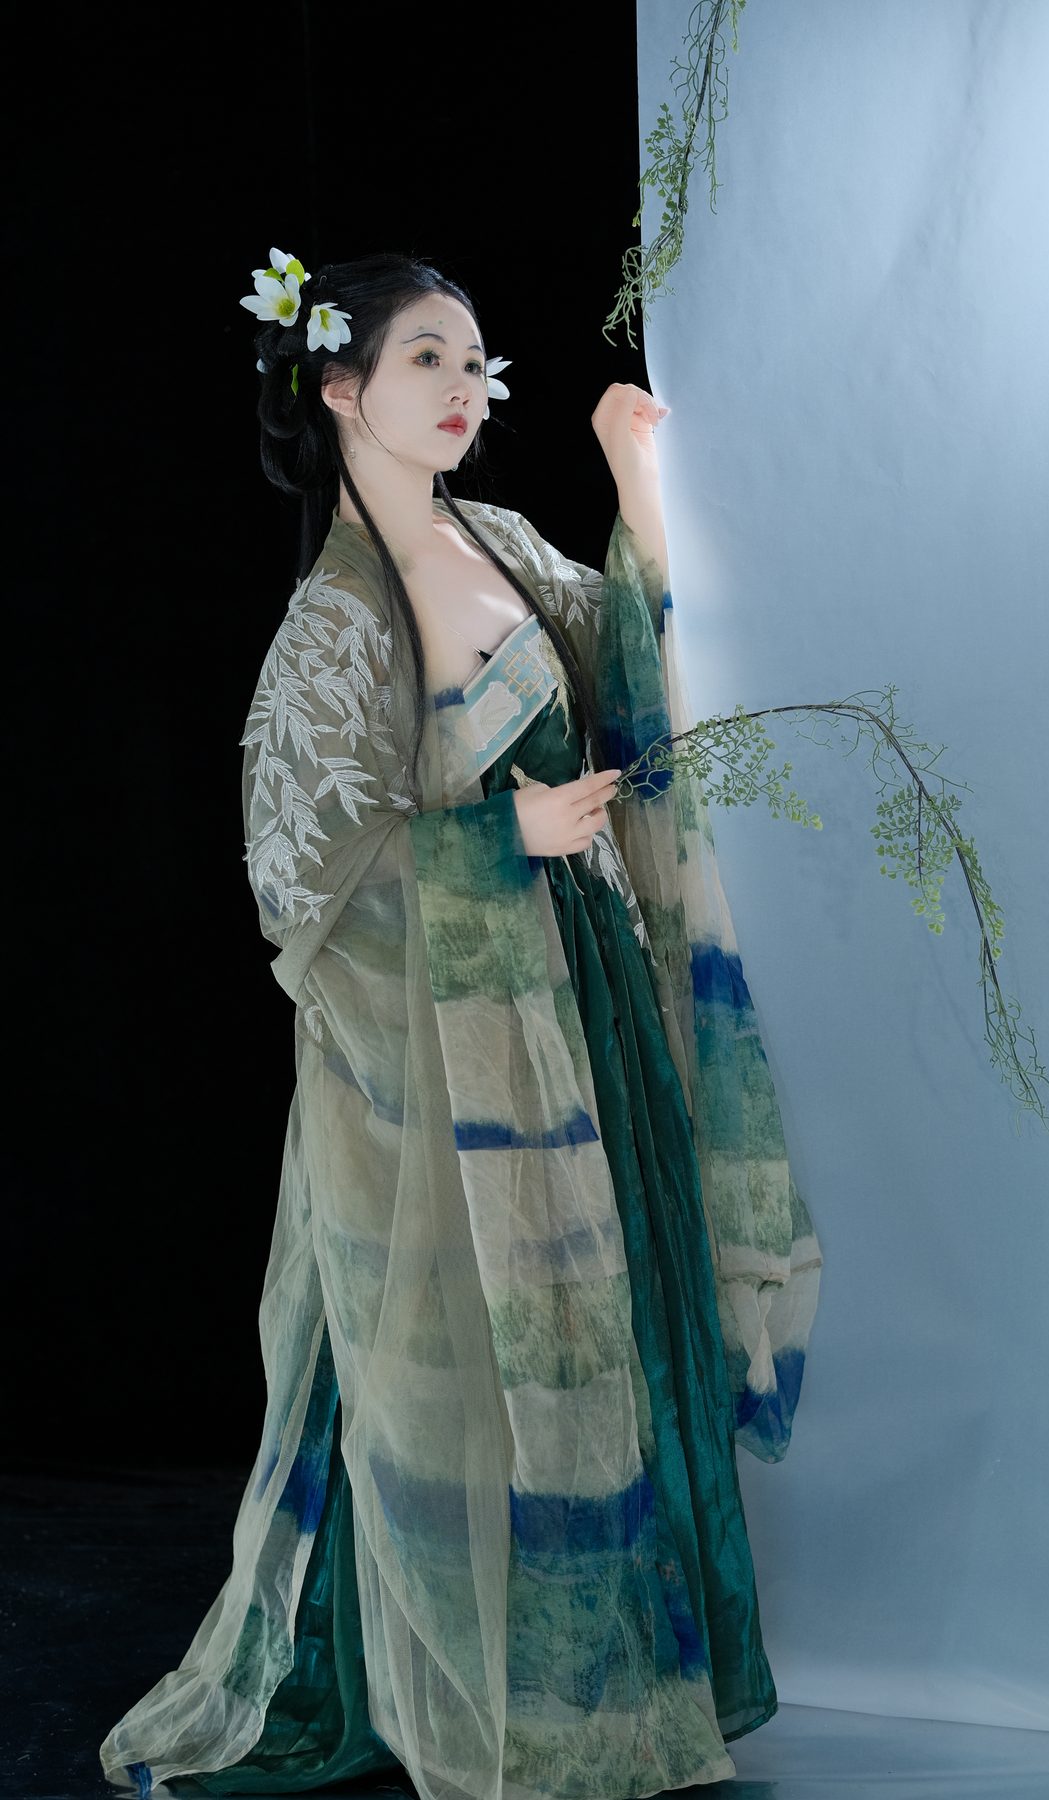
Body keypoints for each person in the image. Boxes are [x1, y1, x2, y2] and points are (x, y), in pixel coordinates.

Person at [99, 250, 823, 1800]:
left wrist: (632, 485)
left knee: (602, 1335)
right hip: (456, 1051)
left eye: (473, 360)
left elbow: (626, 670)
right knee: (477, 1364)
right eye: (424, 356)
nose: (462, 386)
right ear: (338, 386)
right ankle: (490, 1697)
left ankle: (623, 1691)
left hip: (580, 1003)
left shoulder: (493, 539)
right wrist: (506, 839)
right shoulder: (338, 617)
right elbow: (304, 877)